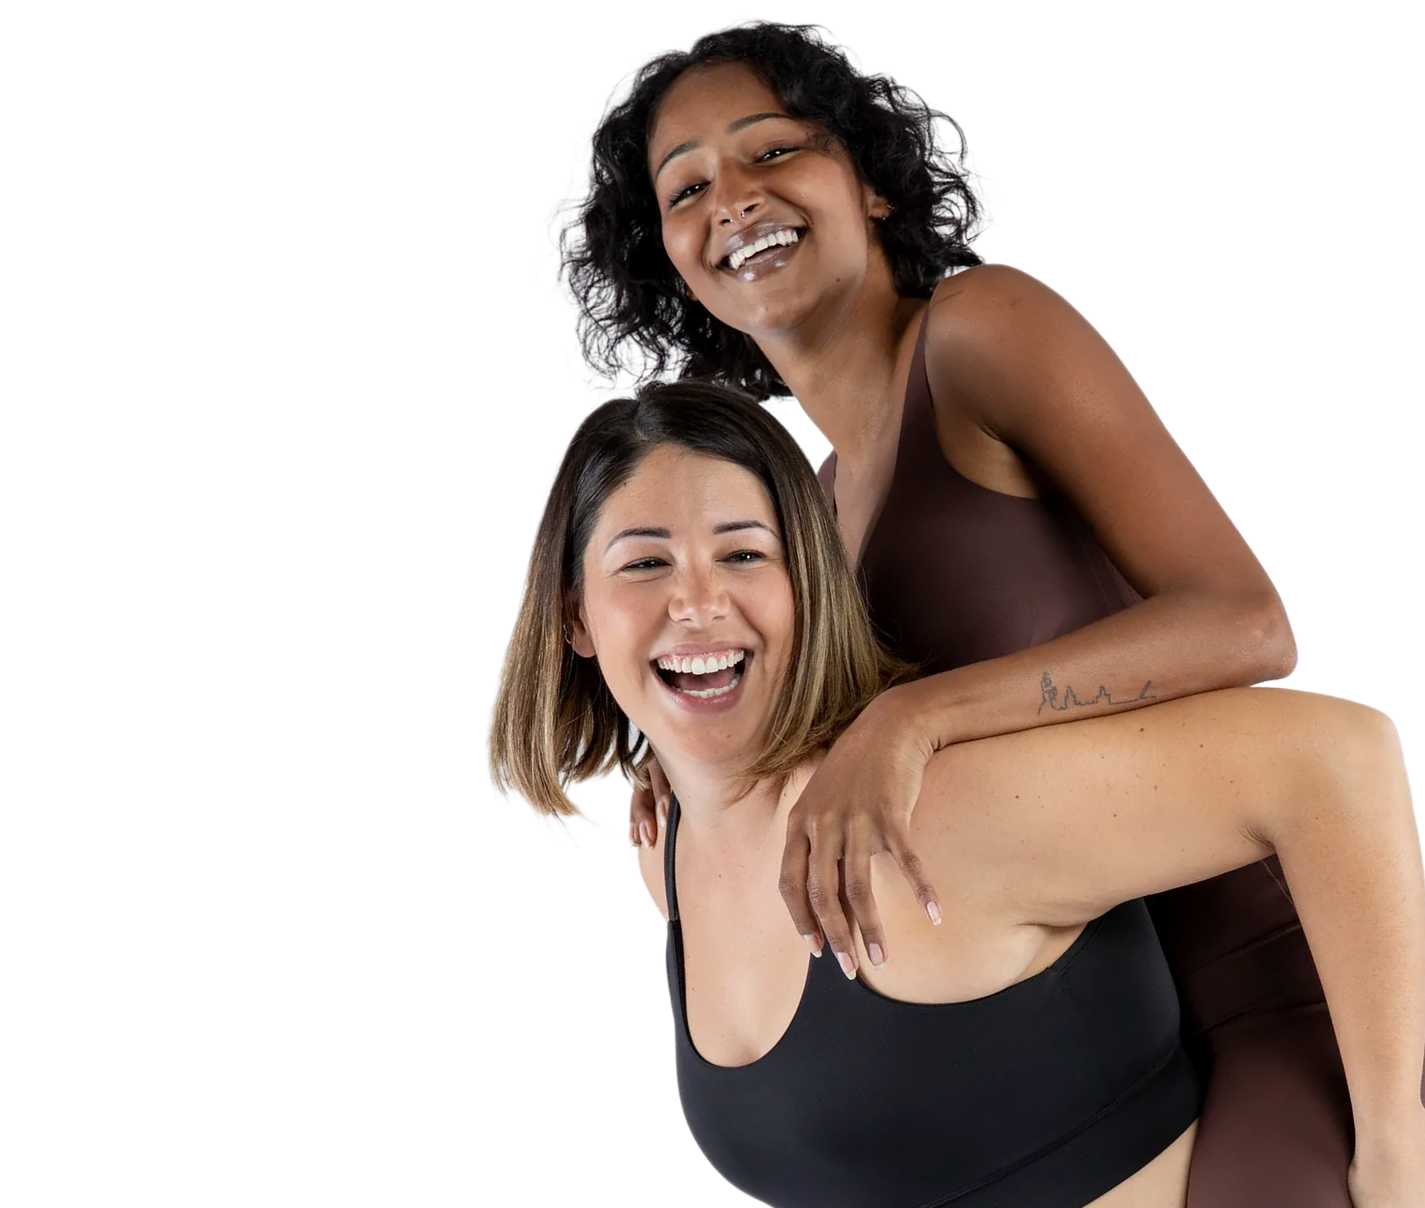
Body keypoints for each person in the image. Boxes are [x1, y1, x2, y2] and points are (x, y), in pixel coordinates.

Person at [533, 17, 1424, 1205]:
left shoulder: (977, 333)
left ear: (871, 181)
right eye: (686, 187)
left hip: (1262, 978)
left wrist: (915, 718)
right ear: (670, 259)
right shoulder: (819, 509)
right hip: (1095, 1014)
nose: (732, 198)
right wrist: (679, 750)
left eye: (772, 150)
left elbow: (1251, 625)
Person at [482, 379, 1424, 1208]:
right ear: (575, 617)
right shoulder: (663, 854)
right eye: (645, 563)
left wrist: (1393, 1162)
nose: (698, 603)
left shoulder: (933, 816)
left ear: (805, 589)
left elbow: (1340, 761)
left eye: (743, 555)